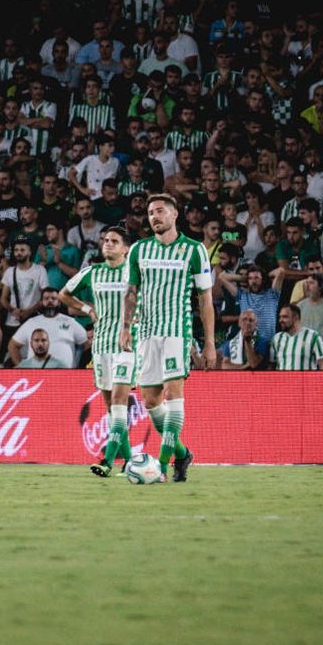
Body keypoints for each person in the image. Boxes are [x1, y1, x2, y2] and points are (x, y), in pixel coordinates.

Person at [120, 194, 216, 483]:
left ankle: (162, 465)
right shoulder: (138, 250)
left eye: (160, 211)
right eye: (150, 213)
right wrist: (125, 327)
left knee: (174, 397)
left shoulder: (194, 250)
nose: (154, 217)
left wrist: (209, 342)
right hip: (145, 333)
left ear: (175, 215)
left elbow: (206, 299)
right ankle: (183, 452)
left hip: (177, 332)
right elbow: (131, 292)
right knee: (150, 401)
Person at [60, 226, 137, 476]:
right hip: (101, 345)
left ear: (126, 248)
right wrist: (87, 310)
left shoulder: (135, 272)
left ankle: (106, 459)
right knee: (111, 408)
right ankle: (130, 462)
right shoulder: (93, 272)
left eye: (115, 241)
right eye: (105, 240)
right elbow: (64, 294)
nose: (108, 244)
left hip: (127, 345)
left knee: (118, 402)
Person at [9, 287, 88, 367]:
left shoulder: (70, 322)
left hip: (65, 375)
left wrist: (79, 366)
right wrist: (22, 368)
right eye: (46, 298)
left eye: (53, 298)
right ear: (42, 302)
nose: (50, 301)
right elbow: (13, 346)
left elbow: (87, 343)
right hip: (36, 374)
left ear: (59, 302)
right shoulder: (31, 322)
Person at [270, 305, 323, 370]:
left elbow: (322, 362)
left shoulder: (312, 336)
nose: (280, 320)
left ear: (295, 318)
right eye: (280, 317)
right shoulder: (276, 338)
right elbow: (272, 364)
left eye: (285, 317)